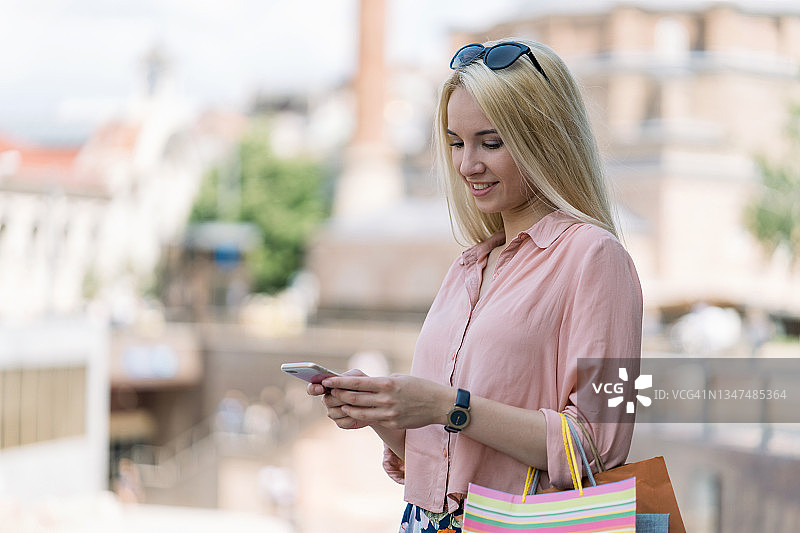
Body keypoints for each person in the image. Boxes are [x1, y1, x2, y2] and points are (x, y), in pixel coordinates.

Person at [308, 38, 643, 533]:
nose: (467, 165)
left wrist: (447, 405)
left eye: (490, 142)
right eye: (456, 143)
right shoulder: (467, 268)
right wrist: (383, 412)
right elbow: (450, 460)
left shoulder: (597, 258)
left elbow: (599, 445)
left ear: (545, 139)